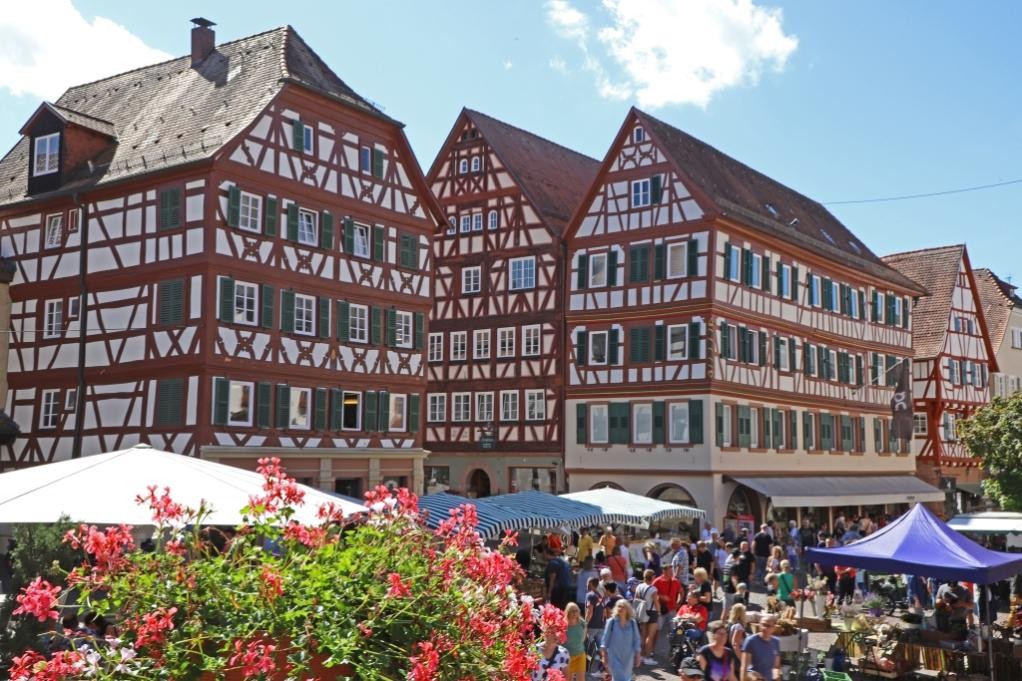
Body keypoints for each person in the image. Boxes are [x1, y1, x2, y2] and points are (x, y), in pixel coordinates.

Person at [601, 600, 642, 680]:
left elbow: (636, 640)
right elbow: (604, 641)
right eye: (618, 606)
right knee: (618, 677)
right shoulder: (611, 622)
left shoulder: (633, 623)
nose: (620, 608)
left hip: (628, 658)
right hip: (614, 657)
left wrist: (638, 655)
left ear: (627, 609)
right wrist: (604, 656)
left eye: (623, 607)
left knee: (626, 678)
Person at [740, 613, 781, 681]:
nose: (764, 628)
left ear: (774, 628)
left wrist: (776, 676)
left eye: (768, 626)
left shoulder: (776, 642)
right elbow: (744, 667)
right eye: (763, 625)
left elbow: (776, 666)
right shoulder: (751, 640)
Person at [633, 569, 659, 665]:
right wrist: (659, 612)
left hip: (642, 612)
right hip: (652, 613)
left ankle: (640, 656)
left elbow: (636, 599)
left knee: (643, 635)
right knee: (650, 637)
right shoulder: (653, 589)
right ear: (652, 577)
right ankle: (647, 657)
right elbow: (656, 603)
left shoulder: (639, 586)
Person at [533, 616, 571, 681]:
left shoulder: (563, 653)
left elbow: (567, 676)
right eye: (553, 633)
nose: (556, 635)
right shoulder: (534, 650)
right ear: (545, 632)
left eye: (558, 632)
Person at [564, 602, 587, 681]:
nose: (574, 613)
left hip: (580, 654)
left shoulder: (582, 623)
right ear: (567, 612)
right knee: (568, 679)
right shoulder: (563, 625)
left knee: (581, 679)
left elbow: (583, 639)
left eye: (576, 611)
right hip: (567, 657)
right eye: (572, 611)